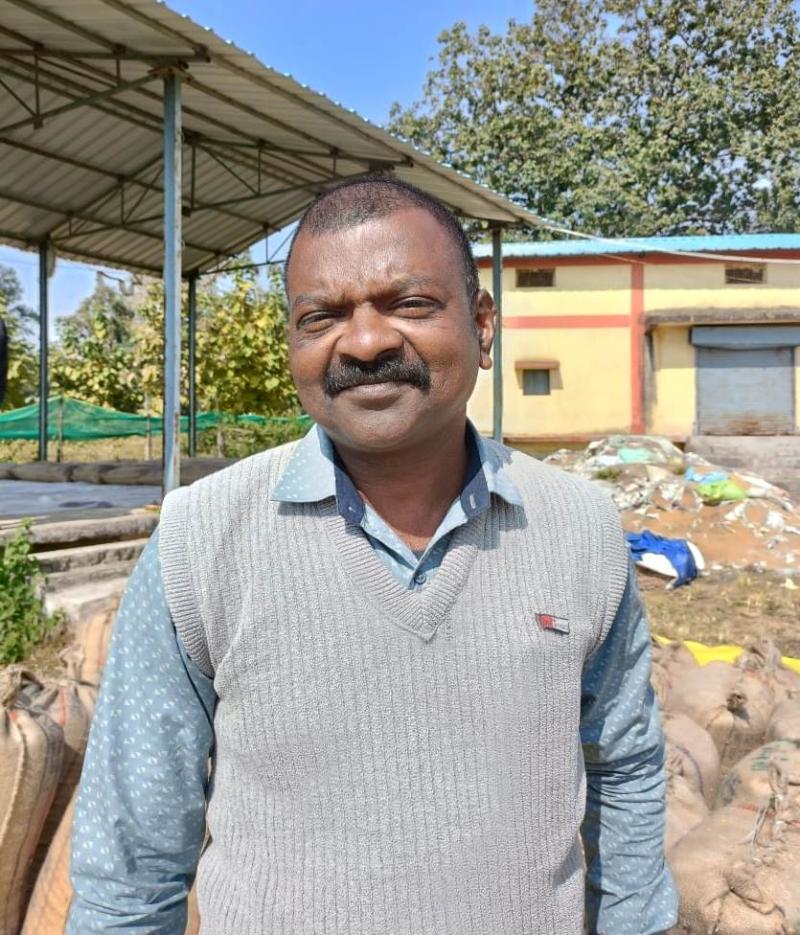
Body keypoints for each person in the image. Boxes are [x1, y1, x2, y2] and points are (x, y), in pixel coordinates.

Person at [68, 177, 678, 934]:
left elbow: (623, 767)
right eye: (321, 317)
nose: (364, 342)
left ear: (483, 326)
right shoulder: (200, 541)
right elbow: (132, 863)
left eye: (409, 303)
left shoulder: (580, 528)